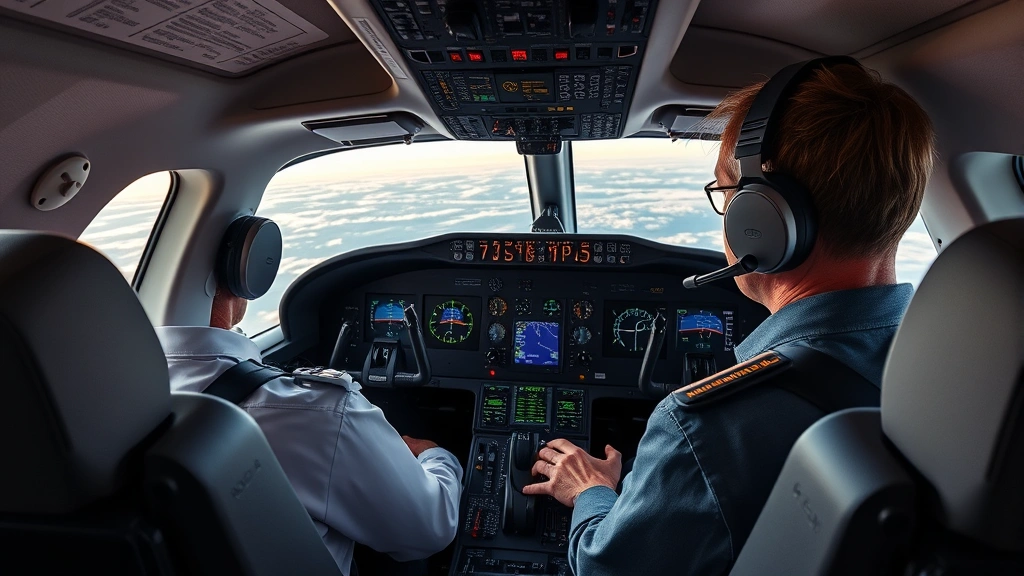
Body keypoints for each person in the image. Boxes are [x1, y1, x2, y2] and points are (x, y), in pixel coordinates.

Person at [523, 59, 936, 574]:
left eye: (726, 196)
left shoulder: (705, 429)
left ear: (760, 221)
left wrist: (592, 492)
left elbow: (605, 567)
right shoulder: (969, 371)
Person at [155, 225, 463, 576]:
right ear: (242, 271)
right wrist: (437, 455)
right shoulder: (322, 414)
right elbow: (430, 528)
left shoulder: (102, 415)